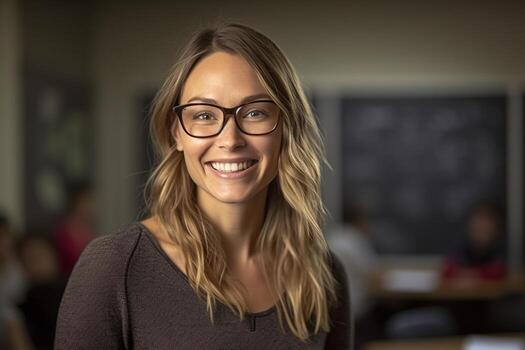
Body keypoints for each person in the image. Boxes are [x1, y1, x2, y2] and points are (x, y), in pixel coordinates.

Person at [55, 22, 351, 349]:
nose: (230, 139)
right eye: (204, 115)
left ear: (286, 127)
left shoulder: (323, 274)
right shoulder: (115, 266)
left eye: (254, 112)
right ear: (176, 132)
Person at [441, 201, 506, 282]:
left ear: (496, 229)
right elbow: (448, 271)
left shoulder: (502, 248)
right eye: (478, 225)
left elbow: (498, 271)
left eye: (486, 227)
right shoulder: (462, 246)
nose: (481, 228)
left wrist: (471, 274)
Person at [52, 181, 95, 278]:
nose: (91, 206)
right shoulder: (62, 233)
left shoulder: (88, 231)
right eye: (86, 201)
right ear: (75, 202)